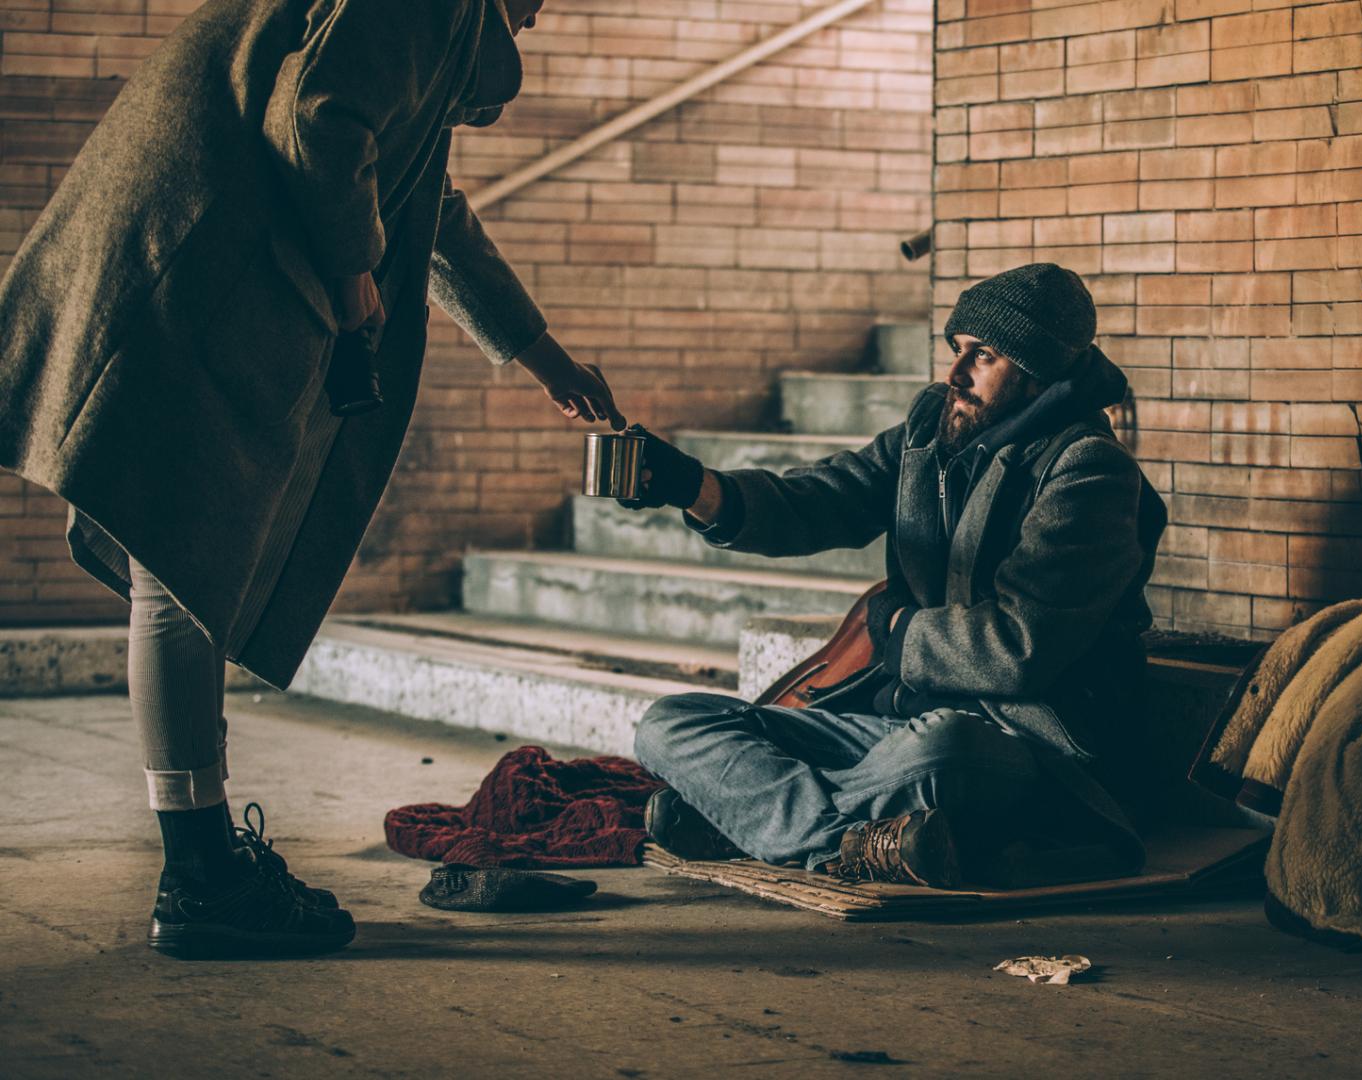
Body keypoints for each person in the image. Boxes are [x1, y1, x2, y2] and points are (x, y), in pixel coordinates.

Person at [0, 0, 620, 958]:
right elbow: (322, 118)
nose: (544, 10)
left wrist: (546, 359)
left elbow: (426, 206)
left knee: (179, 568)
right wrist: (350, 271)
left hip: (193, 256)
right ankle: (200, 878)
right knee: (182, 566)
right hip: (204, 268)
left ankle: (201, 862)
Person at [624, 264, 1166, 888]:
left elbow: (1019, 649)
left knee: (940, 750)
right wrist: (691, 486)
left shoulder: (1088, 472)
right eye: (957, 350)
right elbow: (818, 501)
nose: (955, 374)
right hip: (888, 725)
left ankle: (754, 820)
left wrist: (896, 629)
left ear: (1036, 369)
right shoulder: (929, 430)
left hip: (1025, 742)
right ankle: (848, 842)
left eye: (982, 356)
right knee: (670, 724)